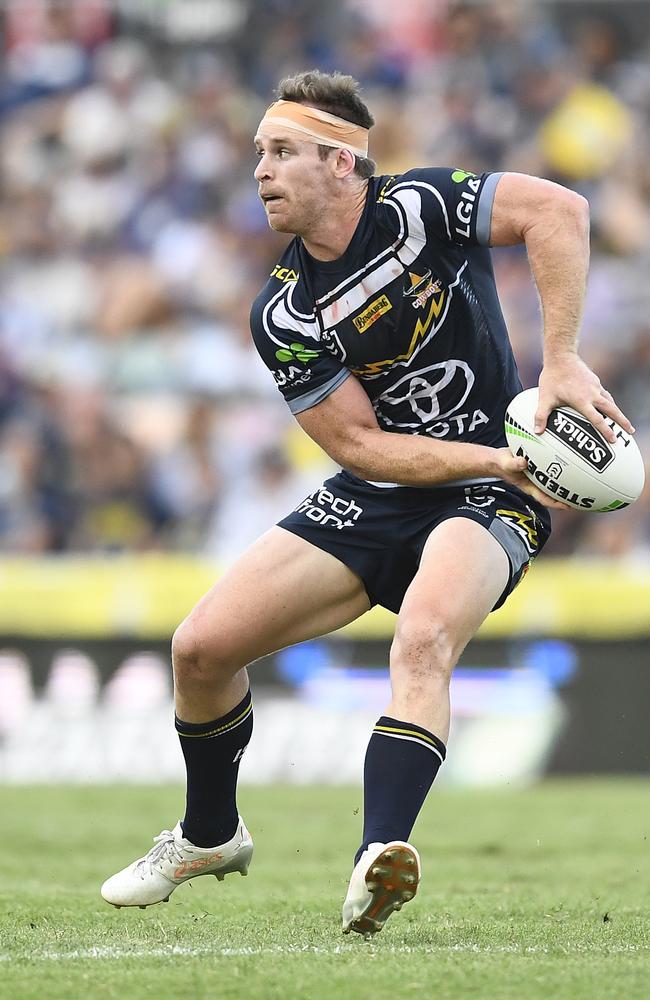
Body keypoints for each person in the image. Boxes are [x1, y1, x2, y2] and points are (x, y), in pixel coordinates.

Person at [101, 70, 633, 938]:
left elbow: (559, 211)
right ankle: (209, 834)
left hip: (491, 496)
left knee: (423, 636)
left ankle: (376, 859)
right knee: (199, 650)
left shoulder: (421, 206)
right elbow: (359, 448)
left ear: (342, 164)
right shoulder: (282, 308)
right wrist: (501, 451)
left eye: (281, 152)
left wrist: (562, 362)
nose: (261, 171)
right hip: (394, 486)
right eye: (258, 155)